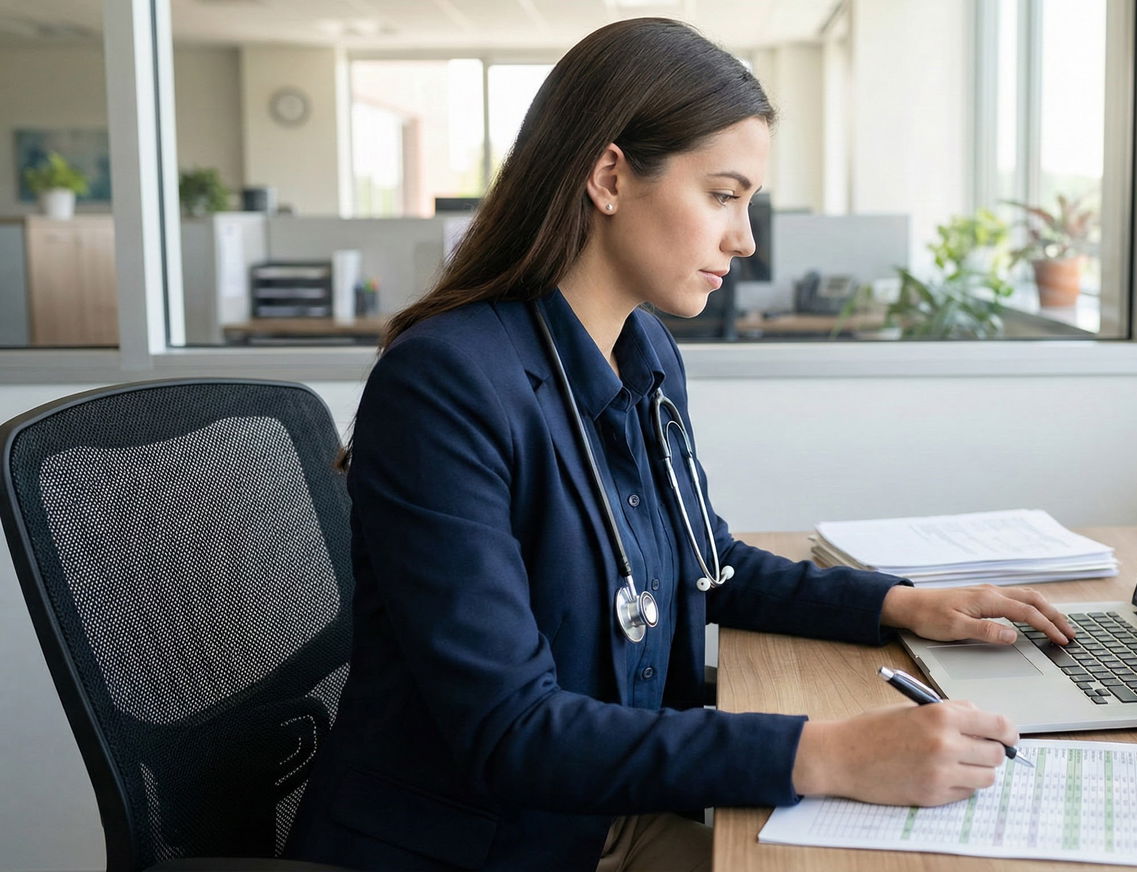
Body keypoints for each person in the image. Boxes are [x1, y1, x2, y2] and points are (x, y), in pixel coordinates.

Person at [284, 17, 1075, 872]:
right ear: (611, 176)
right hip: (489, 845)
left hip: (602, 815)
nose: (745, 239)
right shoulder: (445, 386)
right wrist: (831, 753)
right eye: (723, 195)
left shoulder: (642, 347)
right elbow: (510, 733)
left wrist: (898, 606)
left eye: (748, 202)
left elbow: (705, 558)